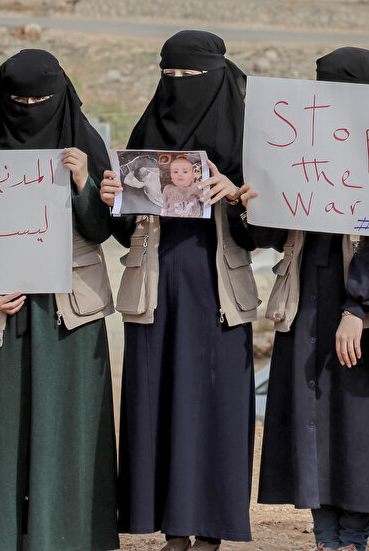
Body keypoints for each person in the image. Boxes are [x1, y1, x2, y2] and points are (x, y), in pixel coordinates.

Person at [101, 30, 259, 551]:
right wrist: (114, 200)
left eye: (191, 77)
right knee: (160, 401)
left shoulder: (248, 138)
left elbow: (270, 234)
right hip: (155, 285)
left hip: (217, 289)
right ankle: (173, 528)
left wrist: (235, 195)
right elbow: (125, 229)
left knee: (215, 405)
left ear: (216, 77)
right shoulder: (149, 128)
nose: (178, 86)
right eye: (169, 76)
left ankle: (211, 528)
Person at [0, 49, 119, 551]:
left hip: (68, 313)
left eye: (40, 99)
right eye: (18, 99)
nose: (29, 107)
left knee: (66, 427)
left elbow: (102, 230)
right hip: (0, 313)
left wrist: (82, 183)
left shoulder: (86, 147)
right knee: (0, 434)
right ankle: (0, 537)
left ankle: (66, 536)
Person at [249, 48, 369, 551]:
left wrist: (357, 309)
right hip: (307, 294)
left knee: (358, 422)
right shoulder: (301, 139)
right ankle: (324, 538)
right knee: (312, 415)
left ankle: (353, 539)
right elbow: (276, 228)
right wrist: (253, 198)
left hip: (364, 303)